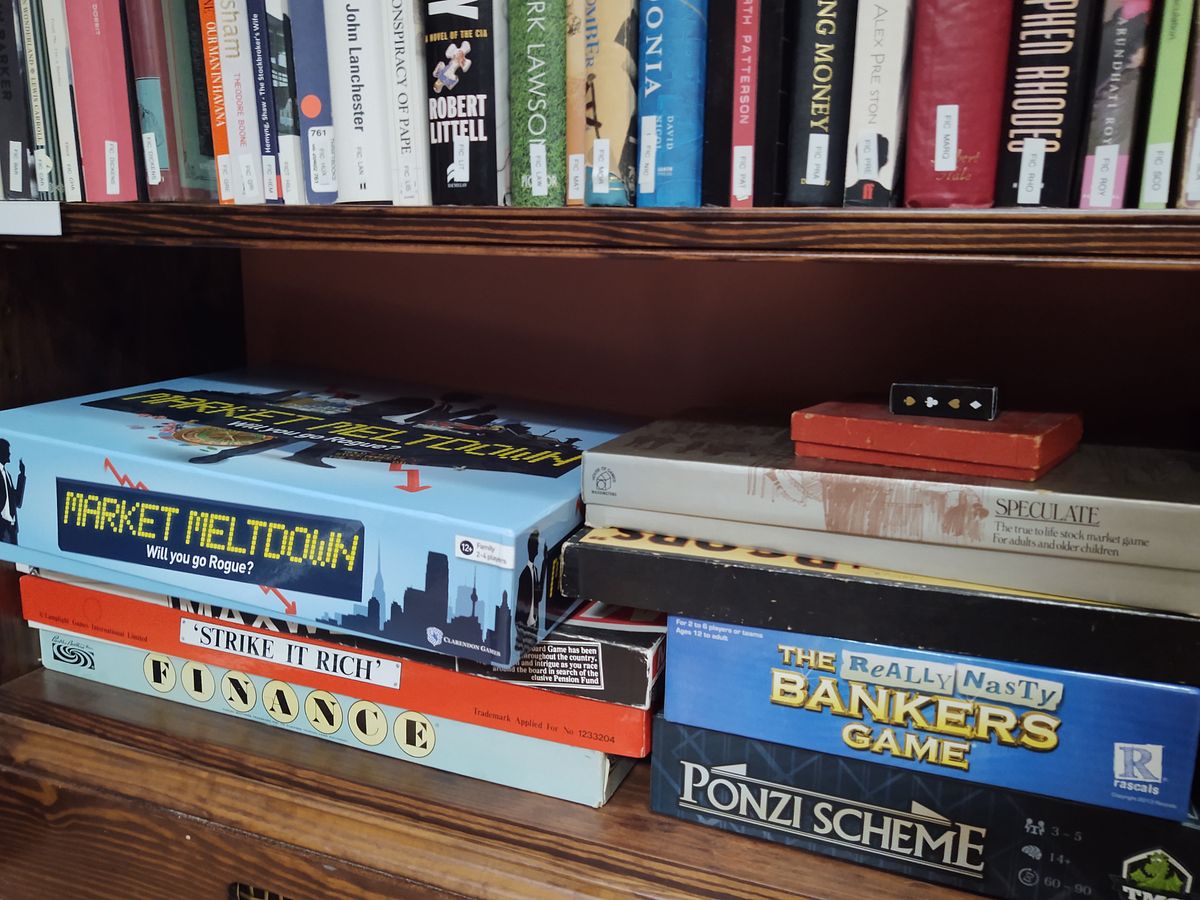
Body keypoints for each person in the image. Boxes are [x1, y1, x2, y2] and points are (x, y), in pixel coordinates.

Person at [0, 439, 26, 545]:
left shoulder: (8, 475)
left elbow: (17, 501)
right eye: (7, 451)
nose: (9, 453)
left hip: (11, 529)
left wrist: (22, 475)